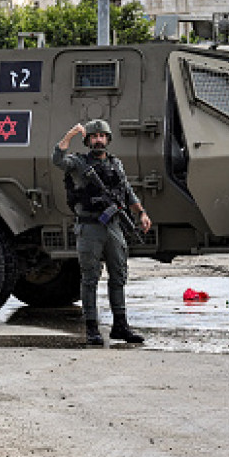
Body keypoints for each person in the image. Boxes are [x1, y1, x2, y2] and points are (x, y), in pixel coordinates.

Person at [53, 119, 152, 346]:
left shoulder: (116, 164)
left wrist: (142, 213)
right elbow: (57, 159)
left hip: (114, 226)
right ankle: (91, 328)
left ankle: (120, 325)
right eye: (94, 137)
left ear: (108, 139)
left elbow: (127, 191)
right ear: (88, 140)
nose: (98, 140)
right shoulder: (79, 163)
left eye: (102, 136)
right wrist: (70, 135)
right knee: (90, 278)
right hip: (90, 227)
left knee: (118, 275)